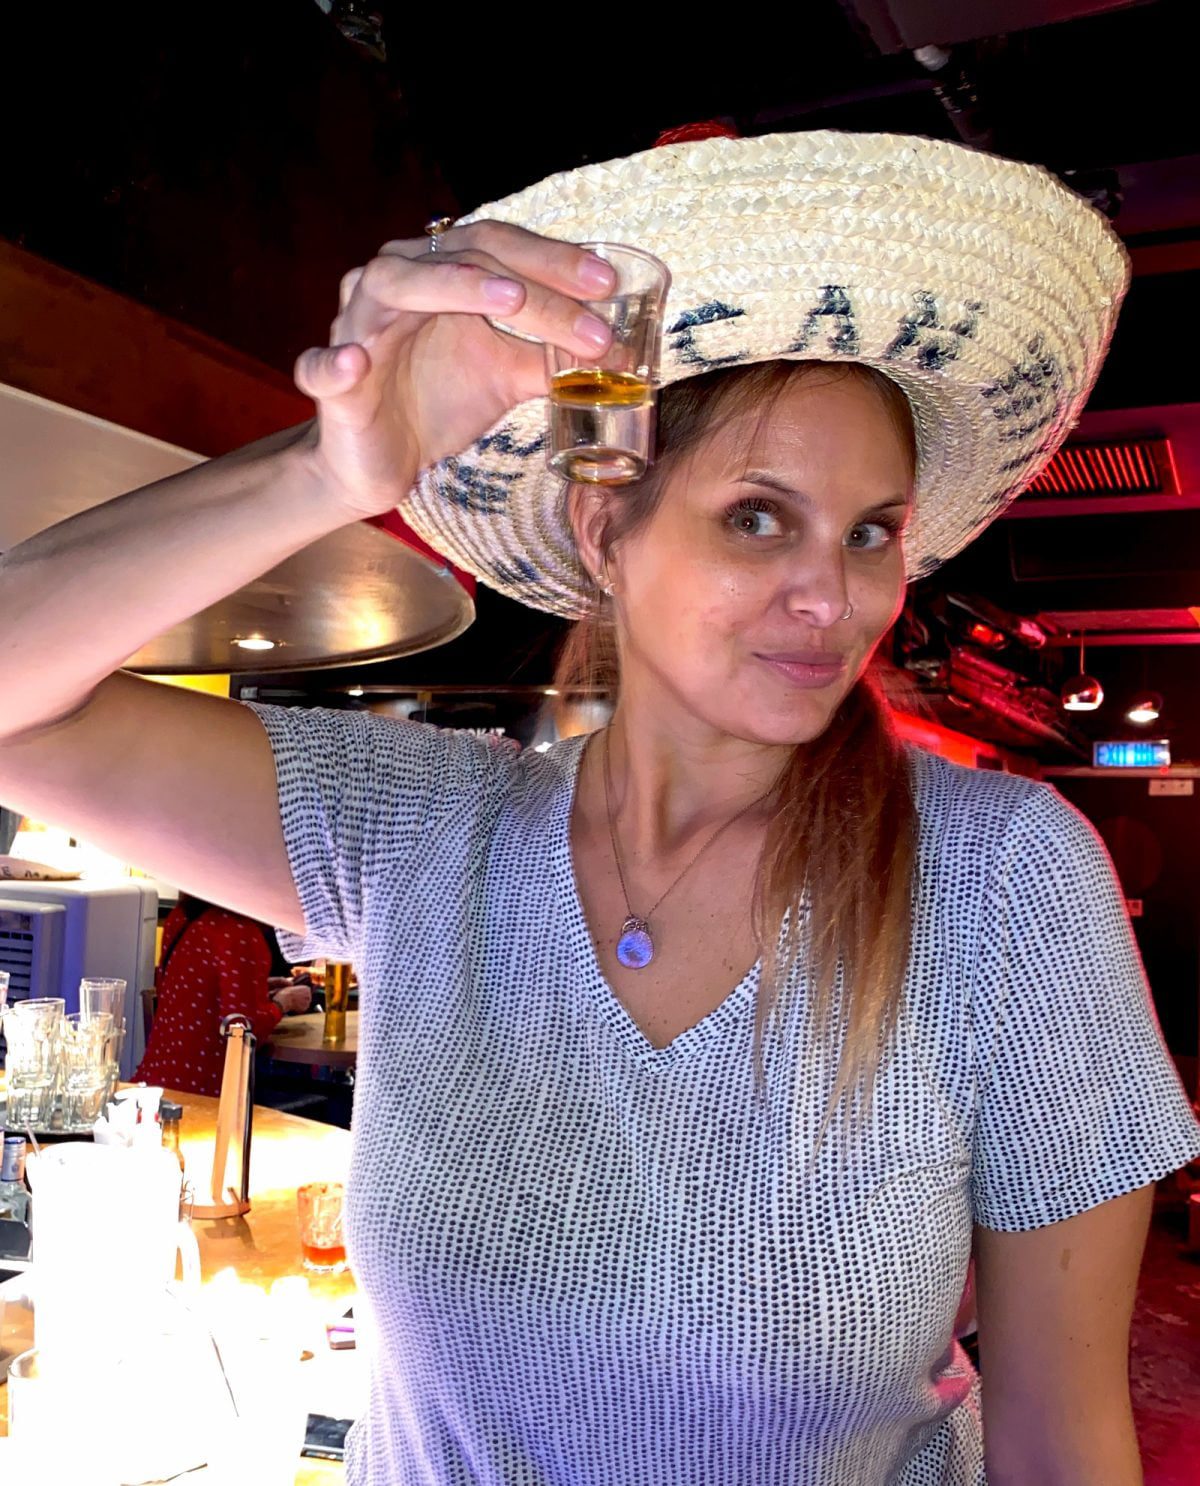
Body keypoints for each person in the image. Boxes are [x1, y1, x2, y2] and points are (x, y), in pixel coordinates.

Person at [1, 127, 1197, 1485]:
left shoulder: (999, 880)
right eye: (759, 517)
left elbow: (1062, 1441)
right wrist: (325, 475)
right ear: (603, 528)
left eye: (869, 529)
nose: (835, 594)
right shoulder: (423, 830)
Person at [135, 891, 311, 1098]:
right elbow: (243, 1032)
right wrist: (284, 1003)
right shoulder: (240, 932)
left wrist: (257, 988)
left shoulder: (181, 917)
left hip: (155, 1084)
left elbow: (189, 991)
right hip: (206, 1094)